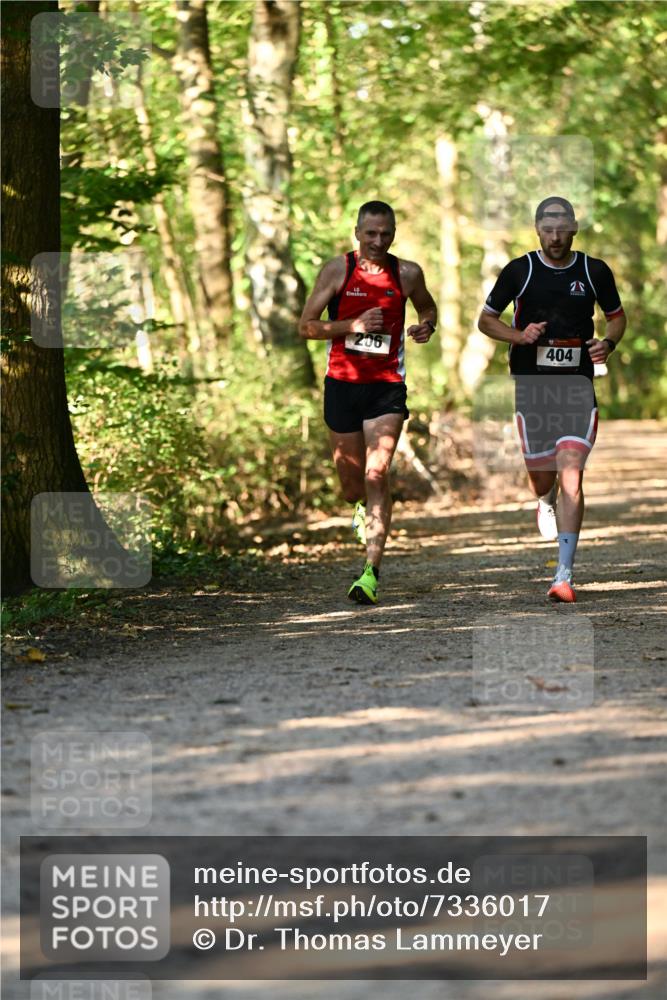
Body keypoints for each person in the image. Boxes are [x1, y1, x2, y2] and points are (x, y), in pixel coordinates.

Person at [477, 196, 626, 602]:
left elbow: (616, 316)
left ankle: (564, 574)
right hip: (533, 387)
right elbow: (486, 320)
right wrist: (518, 335)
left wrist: (607, 345)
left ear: (575, 227)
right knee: (544, 477)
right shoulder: (519, 271)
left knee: (572, 474)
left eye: (563, 228)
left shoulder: (593, 271)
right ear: (537, 230)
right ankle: (545, 500)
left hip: (577, 388)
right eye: (548, 228)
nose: (556, 236)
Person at [299, 201, 437, 605]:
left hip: (386, 387)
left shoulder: (407, 273)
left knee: (378, 474)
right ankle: (358, 506)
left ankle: (370, 572)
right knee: (351, 485)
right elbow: (306, 326)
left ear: (394, 233)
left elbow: (427, 305)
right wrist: (351, 326)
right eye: (371, 233)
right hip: (342, 384)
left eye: (386, 234)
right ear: (357, 232)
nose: (378, 241)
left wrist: (426, 324)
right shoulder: (337, 270)